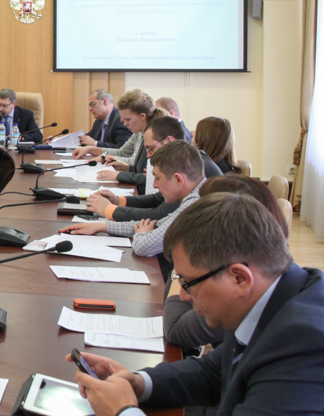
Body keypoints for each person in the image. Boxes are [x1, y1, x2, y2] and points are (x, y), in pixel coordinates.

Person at [70, 193, 324, 416]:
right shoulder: (280, 293)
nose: (182, 295)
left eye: (188, 282)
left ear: (239, 278)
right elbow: (213, 371)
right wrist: (138, 383)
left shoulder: (310, 350)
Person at [163, 175, 289, 350]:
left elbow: (176, 329)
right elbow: (217, 363)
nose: (183, 295)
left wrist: (182, 274)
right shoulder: (263, 284)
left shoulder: (296, 342)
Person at [62, 141, 205, 276]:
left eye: (158, 178)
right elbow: (156, 226)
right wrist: (102, 227)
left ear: (178, 179)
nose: (155, 185)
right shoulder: (195, 194)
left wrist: (141, 234)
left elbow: (144, 247)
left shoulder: (194, 205)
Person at [85, 116, 222, 223]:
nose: (148, 156)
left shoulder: (192, 164)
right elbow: (158, 199)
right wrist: (118, 200)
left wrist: (109, 210)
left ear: (169, 141)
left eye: (151, 149)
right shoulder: (184, 157)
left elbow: (161, 215)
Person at [74, 89, 166, 194]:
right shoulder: (138, 132)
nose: (124, 123)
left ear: (142, 117)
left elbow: (149, 177)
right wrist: (92, 149)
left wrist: (118, 174)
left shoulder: (155, 139)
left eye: (128, 119)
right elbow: (123, 153)